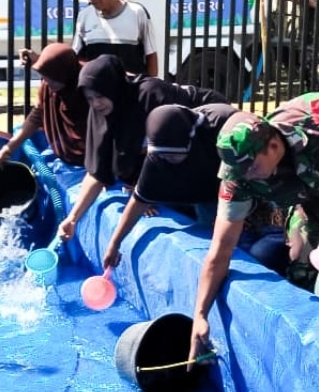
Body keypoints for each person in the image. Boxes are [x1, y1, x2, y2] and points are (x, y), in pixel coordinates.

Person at [188, 91, 319, 366]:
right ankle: (315, 346)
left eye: (253, 167)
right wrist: (200, 314)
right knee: (299, 263)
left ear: (273, 145)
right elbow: (220, 251)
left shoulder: (317, 119)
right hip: (314, 199)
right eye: (240, 171)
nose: (247, 176)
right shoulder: (239, 176)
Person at [100, 103, 289, 275]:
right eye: (164, 157)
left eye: (174, 156)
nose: (169, 161)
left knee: (242, 238)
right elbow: (138, 201)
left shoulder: (221, 124)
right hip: (203, 190)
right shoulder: (159, 156)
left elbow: (259, 149)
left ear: (190, 141)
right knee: (210, 237)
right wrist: (114, 244)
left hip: (240, 181)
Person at [57, 55, 228, 241]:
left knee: (205, 201)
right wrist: (72, 218)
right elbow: (96, 173)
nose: (96, 103)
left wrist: (147, 191)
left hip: (208, 134)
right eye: (90, 98)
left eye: (100, 96)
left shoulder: (150, 95)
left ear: (113, 88)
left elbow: (171, 149)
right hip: (174, 150)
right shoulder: (100, 113)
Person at [0, 43, 88, 166]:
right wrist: (8, 149)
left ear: (65, 74)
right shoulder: (48, 87)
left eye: (52, 77)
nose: (47, 81)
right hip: (67, 157)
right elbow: (36, 117)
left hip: (95, 161)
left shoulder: (89, 88)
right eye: (45, 76)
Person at [72, 0, 159, 76]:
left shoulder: (137, 13)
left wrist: (150, 89)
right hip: (97, 92)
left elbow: (151, 55)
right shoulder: (84, 16)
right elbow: (77, 57)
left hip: (131, 92)